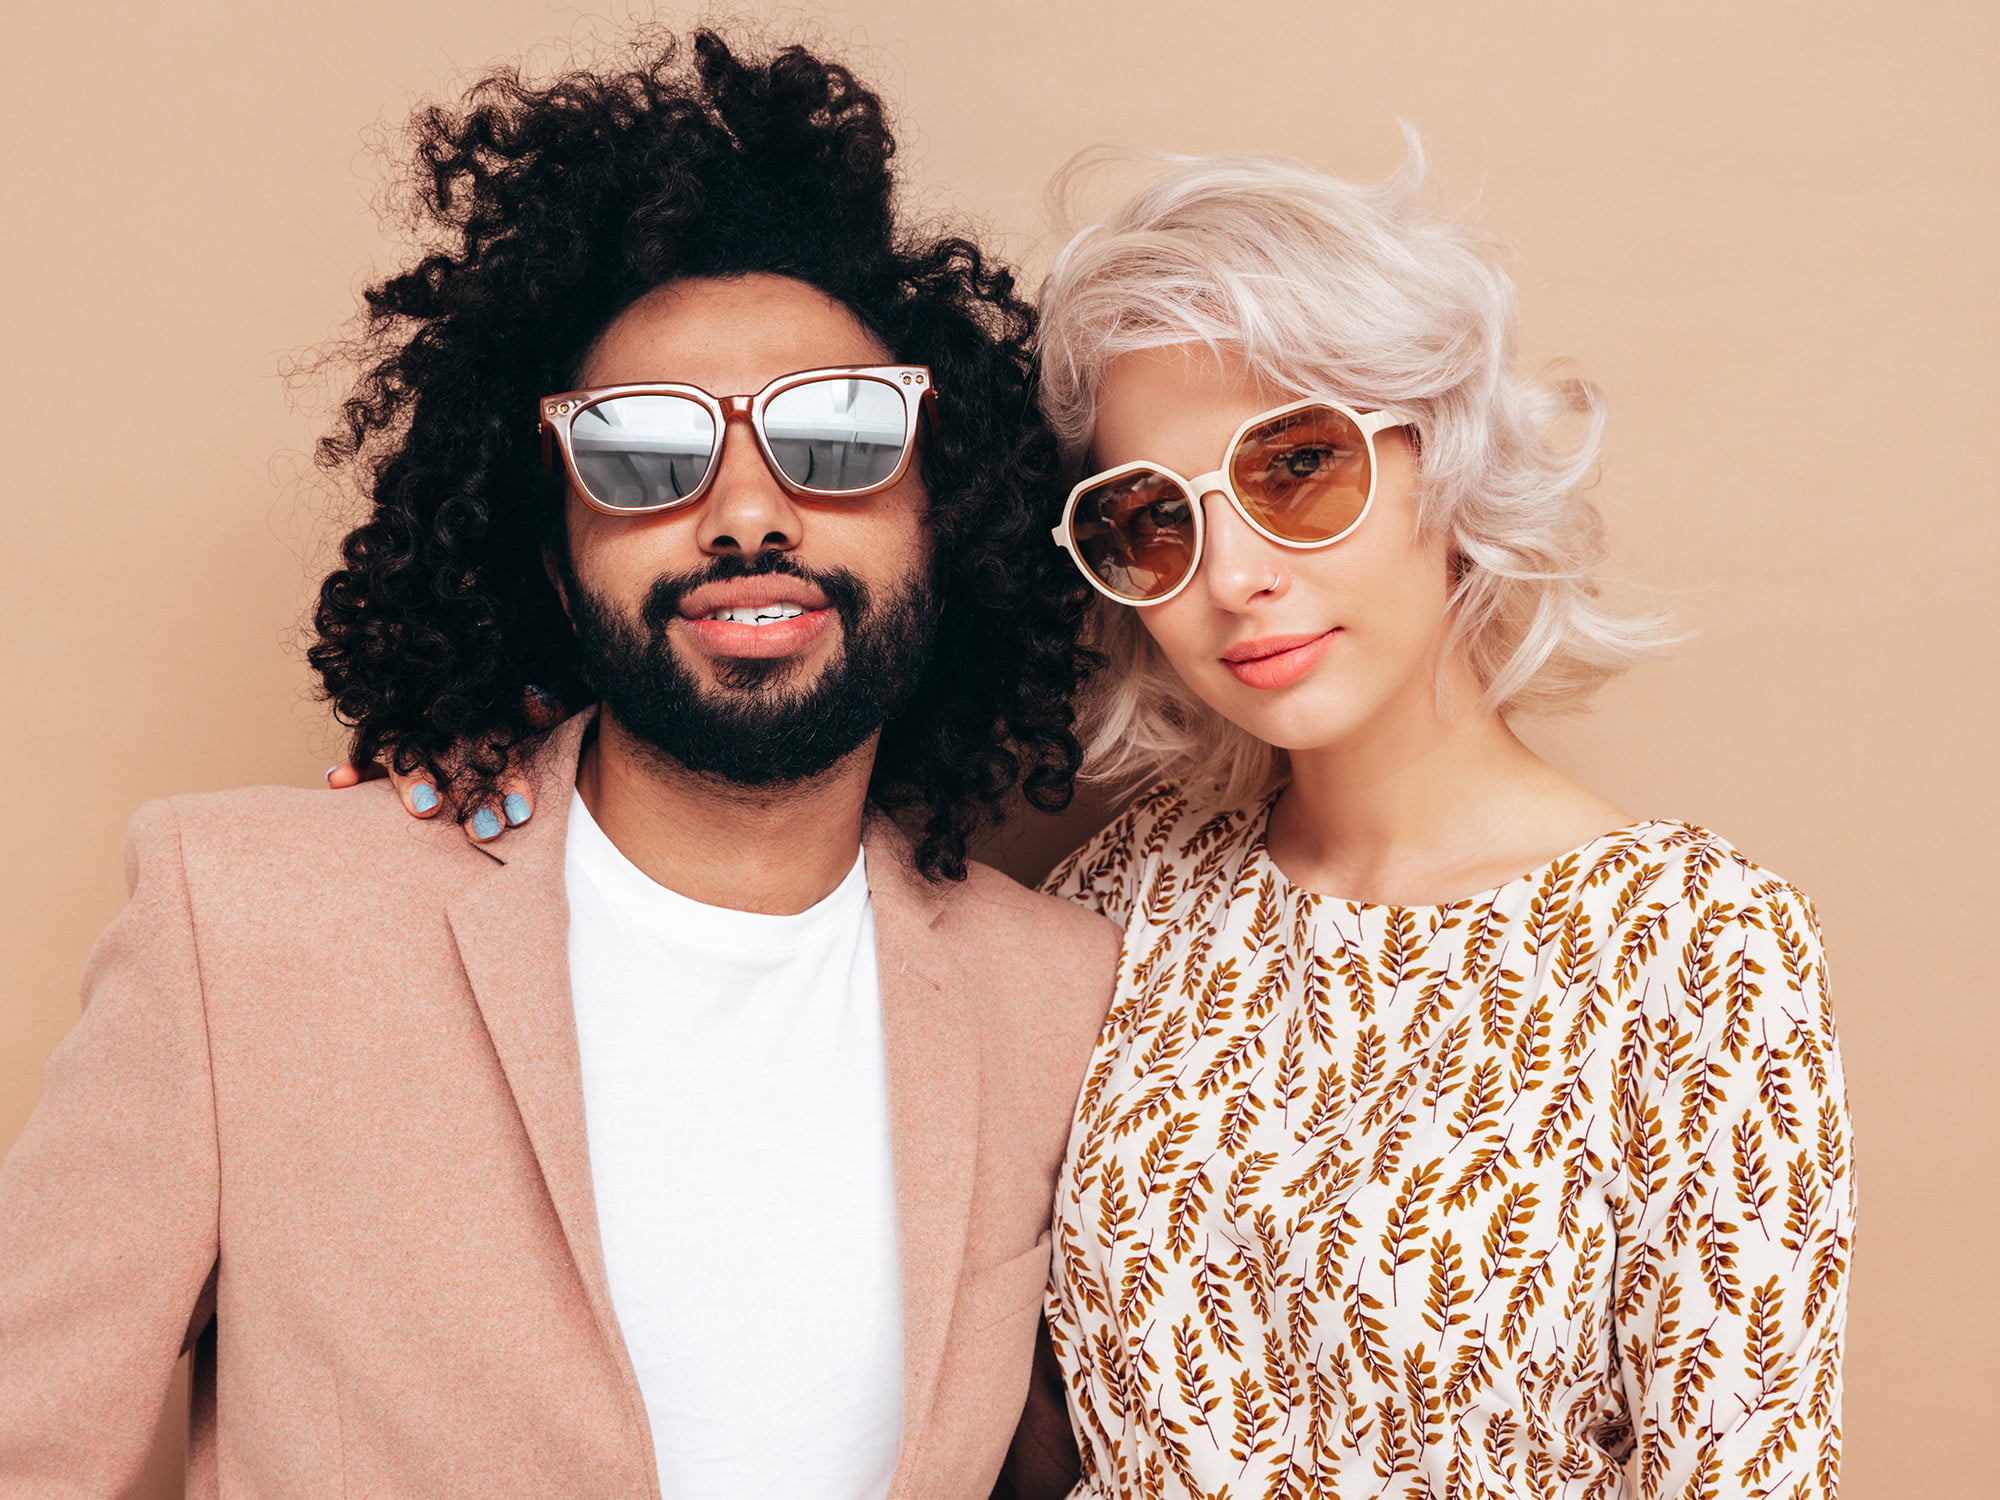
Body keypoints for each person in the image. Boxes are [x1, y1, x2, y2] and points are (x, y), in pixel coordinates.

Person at [0, 33, 1113, 1499]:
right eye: (645, 455)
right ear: (550, 547)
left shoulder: (1060, 991)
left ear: (944, 519)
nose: (743, 517)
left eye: (837, 438)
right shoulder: (248, 921)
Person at [1030, 152, 1853, 1497]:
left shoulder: (1698, 953)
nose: (1234, 577)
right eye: (1155, 520)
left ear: (1446, 461)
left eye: (1296, 467)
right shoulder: (1127, 894)